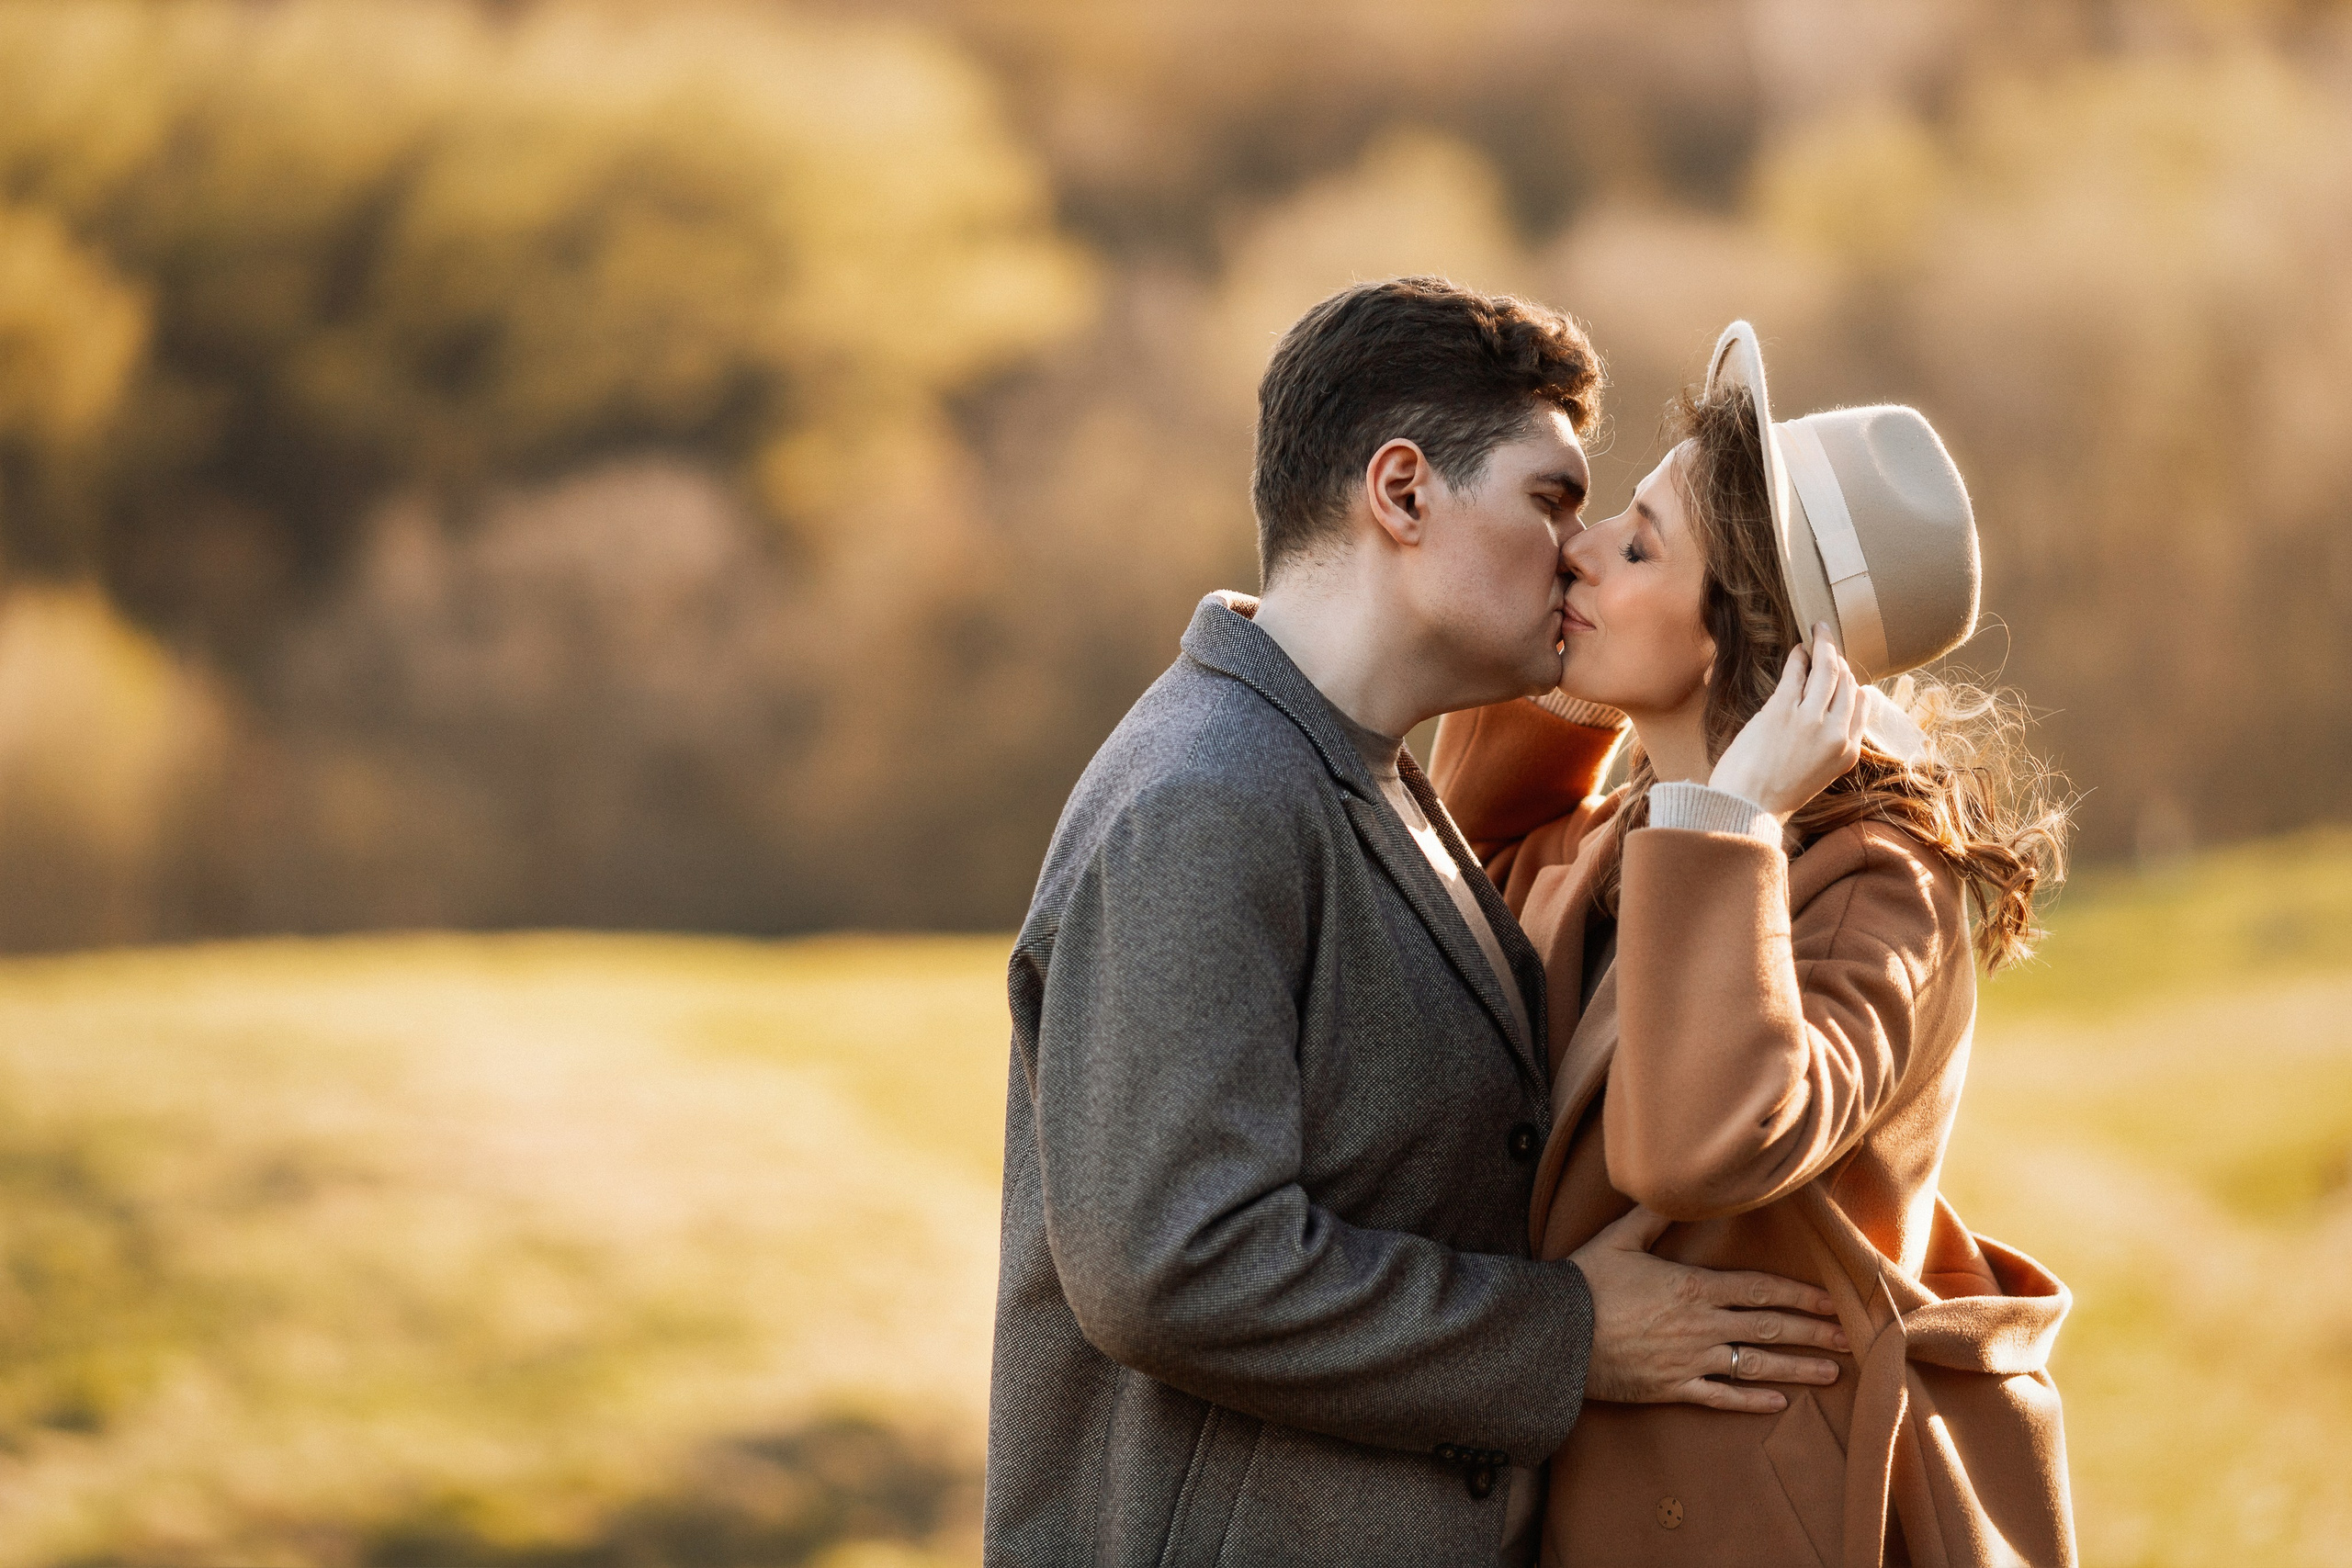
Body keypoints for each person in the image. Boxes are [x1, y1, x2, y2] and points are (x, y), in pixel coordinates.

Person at [985, 282, 1853, 1566]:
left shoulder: (1361, 771)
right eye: (1551, 502)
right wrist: (1565, 1335)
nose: (1574, 553)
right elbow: (1174, 1266)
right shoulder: (1204, 800)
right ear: (1402, 494)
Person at [1429, 321, 2076, 1566]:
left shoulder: (1881, 884)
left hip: (1760, 1522)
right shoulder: (1629, 834)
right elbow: (1461, 877)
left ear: (1735, 632)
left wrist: (1732, 818)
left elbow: (1696, 1143)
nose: (1578, 550)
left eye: (1636, 546)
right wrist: (1572, 688)